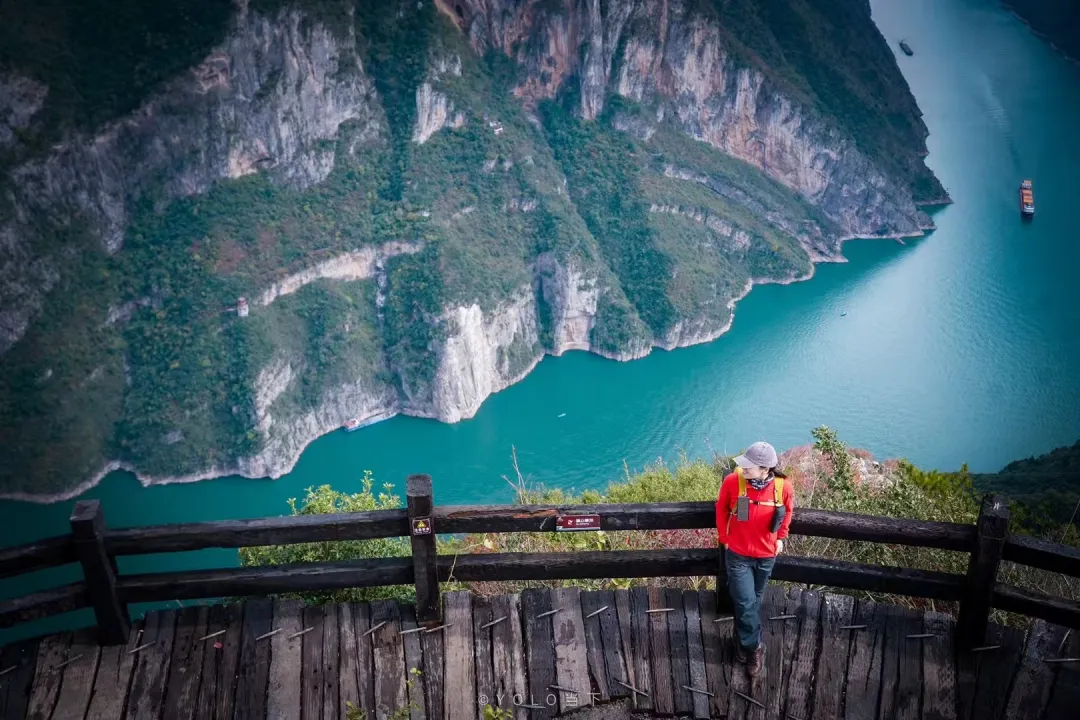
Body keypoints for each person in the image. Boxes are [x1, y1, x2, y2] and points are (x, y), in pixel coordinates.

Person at [715, 441, 794, 677]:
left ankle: (740, 639)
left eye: (749, 466)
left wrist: (781, 537)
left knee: (753, 601)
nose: (743, 468)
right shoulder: (733, 481)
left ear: (765, 469)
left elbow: (787, 512)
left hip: (766, 555)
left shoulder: (783, 487)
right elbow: (721, 509)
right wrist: (724, 538)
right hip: (738, 554)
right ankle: (754, 647)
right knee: (744, 601)